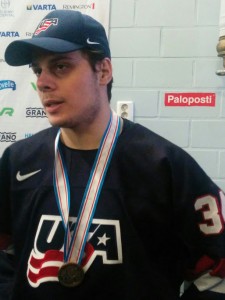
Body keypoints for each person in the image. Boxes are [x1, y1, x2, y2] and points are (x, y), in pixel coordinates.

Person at [0, 9, 225, 300]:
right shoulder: (18, 161)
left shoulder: (163, 165)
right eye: (37, 69)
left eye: (60, 67)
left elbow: (216, 270)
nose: (42, 82)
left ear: (103, 71)